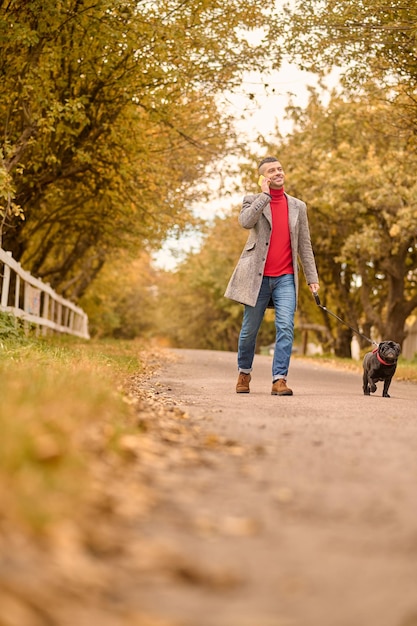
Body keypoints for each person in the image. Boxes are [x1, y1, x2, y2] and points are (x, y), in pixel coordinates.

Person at [224, 156, 320, 396]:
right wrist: (264, 195)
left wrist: (312, 277)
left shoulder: (298, 206)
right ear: (263, 177)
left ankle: (279, 379)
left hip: (286, 276)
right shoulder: (253, 201)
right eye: (271, 171)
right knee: (249, 330)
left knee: (286, 326)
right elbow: (246, 222)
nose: (278, 172)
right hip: (258, 277)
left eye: (280, 168)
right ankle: (244, 372)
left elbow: (305, 245)